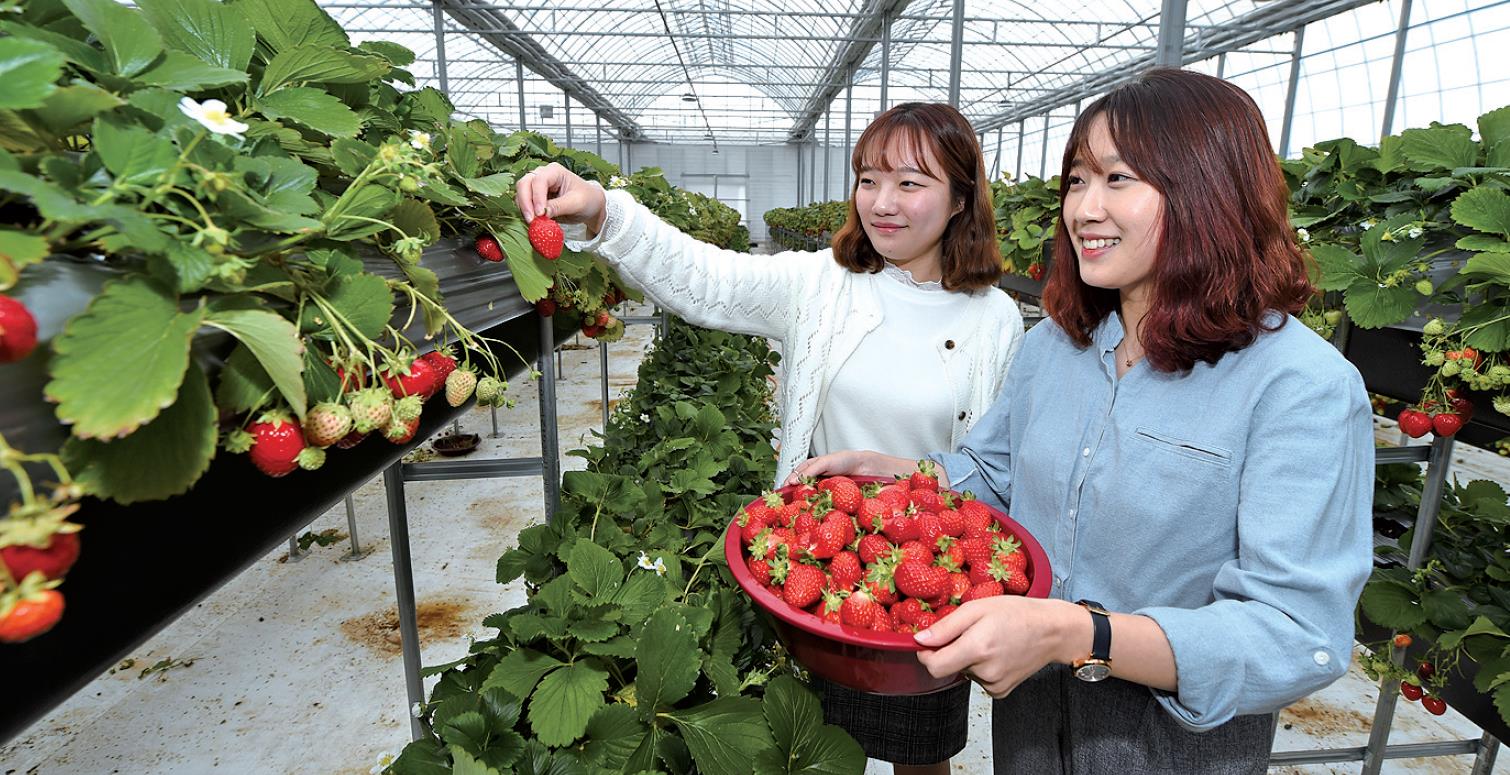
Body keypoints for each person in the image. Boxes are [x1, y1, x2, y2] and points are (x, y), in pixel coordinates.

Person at [789, 68, 1374, 774]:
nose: (1084, 209)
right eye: (1075, 180)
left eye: (1118, 179)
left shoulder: (1301, 386)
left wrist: (1081, 633)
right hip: (1032, 733)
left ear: (1209, 190)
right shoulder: (1053, 350)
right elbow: (994, 475)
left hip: (1172, 753)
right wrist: (899, 473)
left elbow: (1295, 633)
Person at [516, 102, 1024, 775]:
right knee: (805, 742)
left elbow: (994, 463)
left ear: (961, 197)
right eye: (868, 178)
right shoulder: (820, 282)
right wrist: (603, 210)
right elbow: (705, 278)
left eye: (910, 182)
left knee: (919, 755)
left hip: (921, 587)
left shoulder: (996, 318)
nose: (881, 202)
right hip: (816, 564)